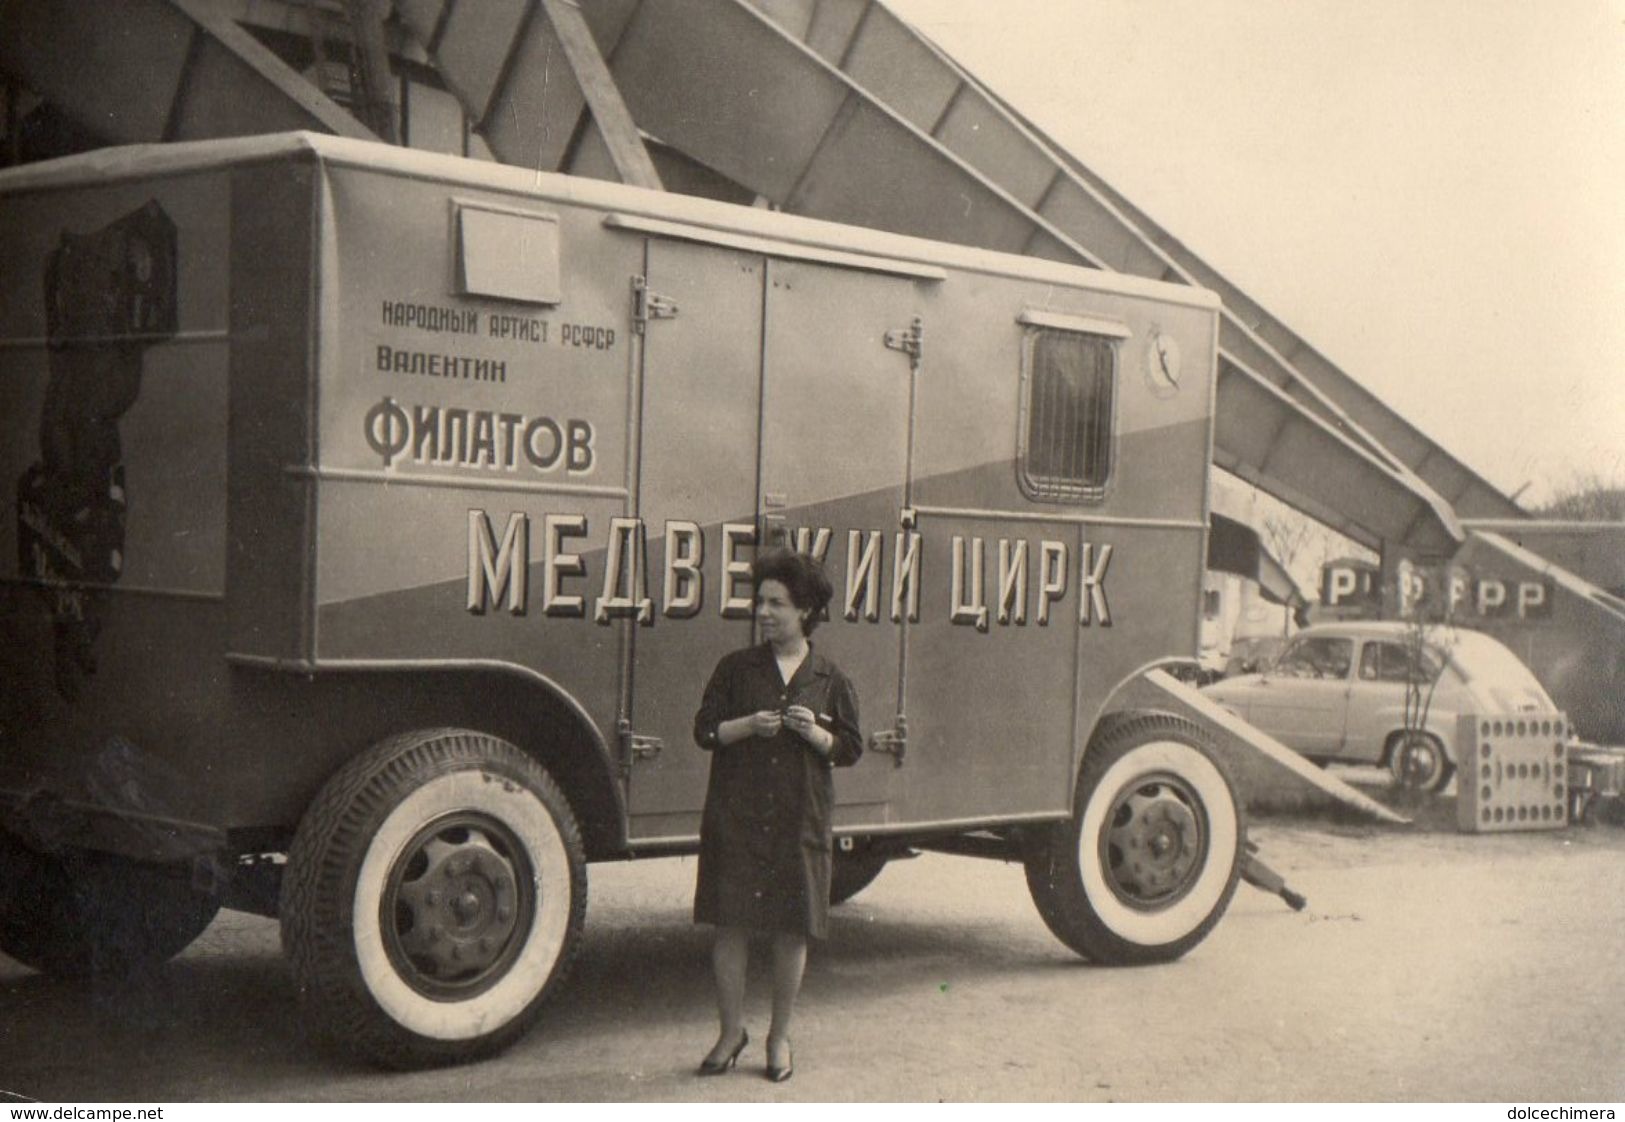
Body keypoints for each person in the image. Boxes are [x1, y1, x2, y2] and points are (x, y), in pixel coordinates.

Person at [691, 547, 863, 1082]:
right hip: (737, 815)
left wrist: (814, 732)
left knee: (792, 931)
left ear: (806, 610)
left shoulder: (830, 677)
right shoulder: (735, 669)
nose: (763, 612)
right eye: (760, 601)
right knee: (731, 926)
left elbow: (851, 747)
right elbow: (704, 731)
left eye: (776, 603)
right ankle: (729, 1032)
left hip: (799, 818)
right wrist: (748, 726)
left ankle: (779, 1037)